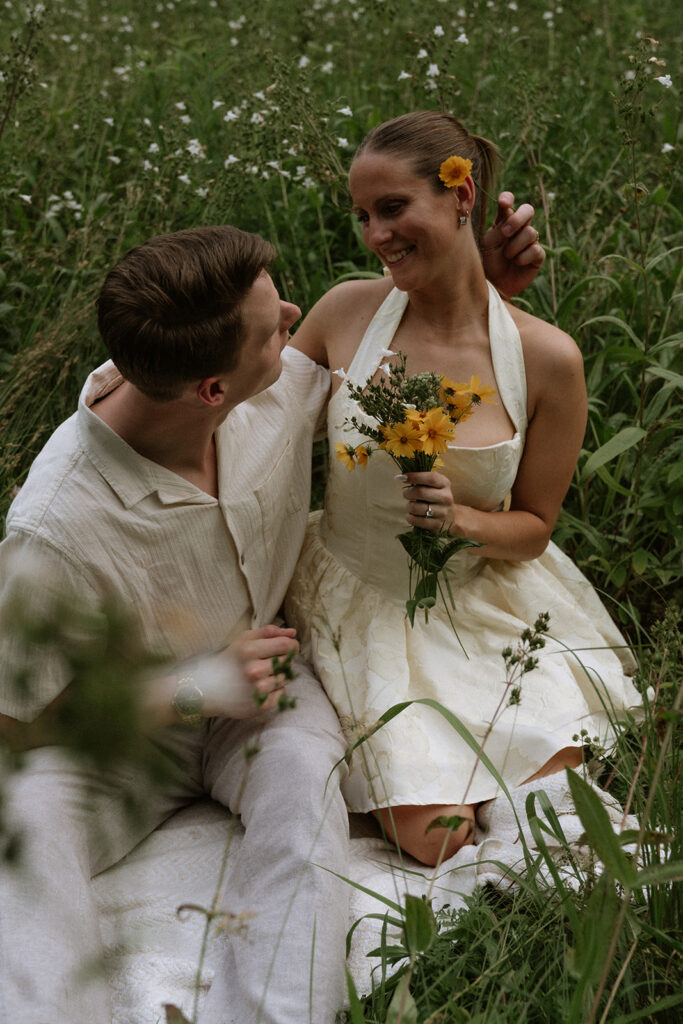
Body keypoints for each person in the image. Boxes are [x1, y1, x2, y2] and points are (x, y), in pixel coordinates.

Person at [0, 211, 538, 1022]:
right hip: (108, 733)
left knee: (303, 788)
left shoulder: (270, 385)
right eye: (271, 325)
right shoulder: (54, 527)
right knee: (26, 836)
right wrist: (188, 688)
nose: (293, 324)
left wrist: (476, 288)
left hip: (263, 689)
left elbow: (386, 359)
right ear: (210, 390)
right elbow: (14, 719)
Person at [284, 110, 642, 867]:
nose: (375, 234)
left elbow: (536, 525)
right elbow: (253, 422)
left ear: (461, 193)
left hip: (482, 599)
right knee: (437, 838)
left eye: (392, 208)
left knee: (553, 813)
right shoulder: (344, 313)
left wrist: (463, 523)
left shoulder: (547, 358)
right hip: (360, 593)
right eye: (361, 216)